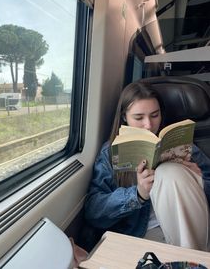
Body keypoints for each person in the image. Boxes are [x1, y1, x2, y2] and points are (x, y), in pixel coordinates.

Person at [84, 81, 210, 251]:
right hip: (143, 232)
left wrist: (199, 181)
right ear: (124, 117)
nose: (149, 125)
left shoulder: (181, 145)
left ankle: (191, 260)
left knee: (170, 172)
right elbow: (94, 211)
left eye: (154, 115)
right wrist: (137, 195)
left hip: (190, 226)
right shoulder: (110, 152)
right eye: (138, 118)